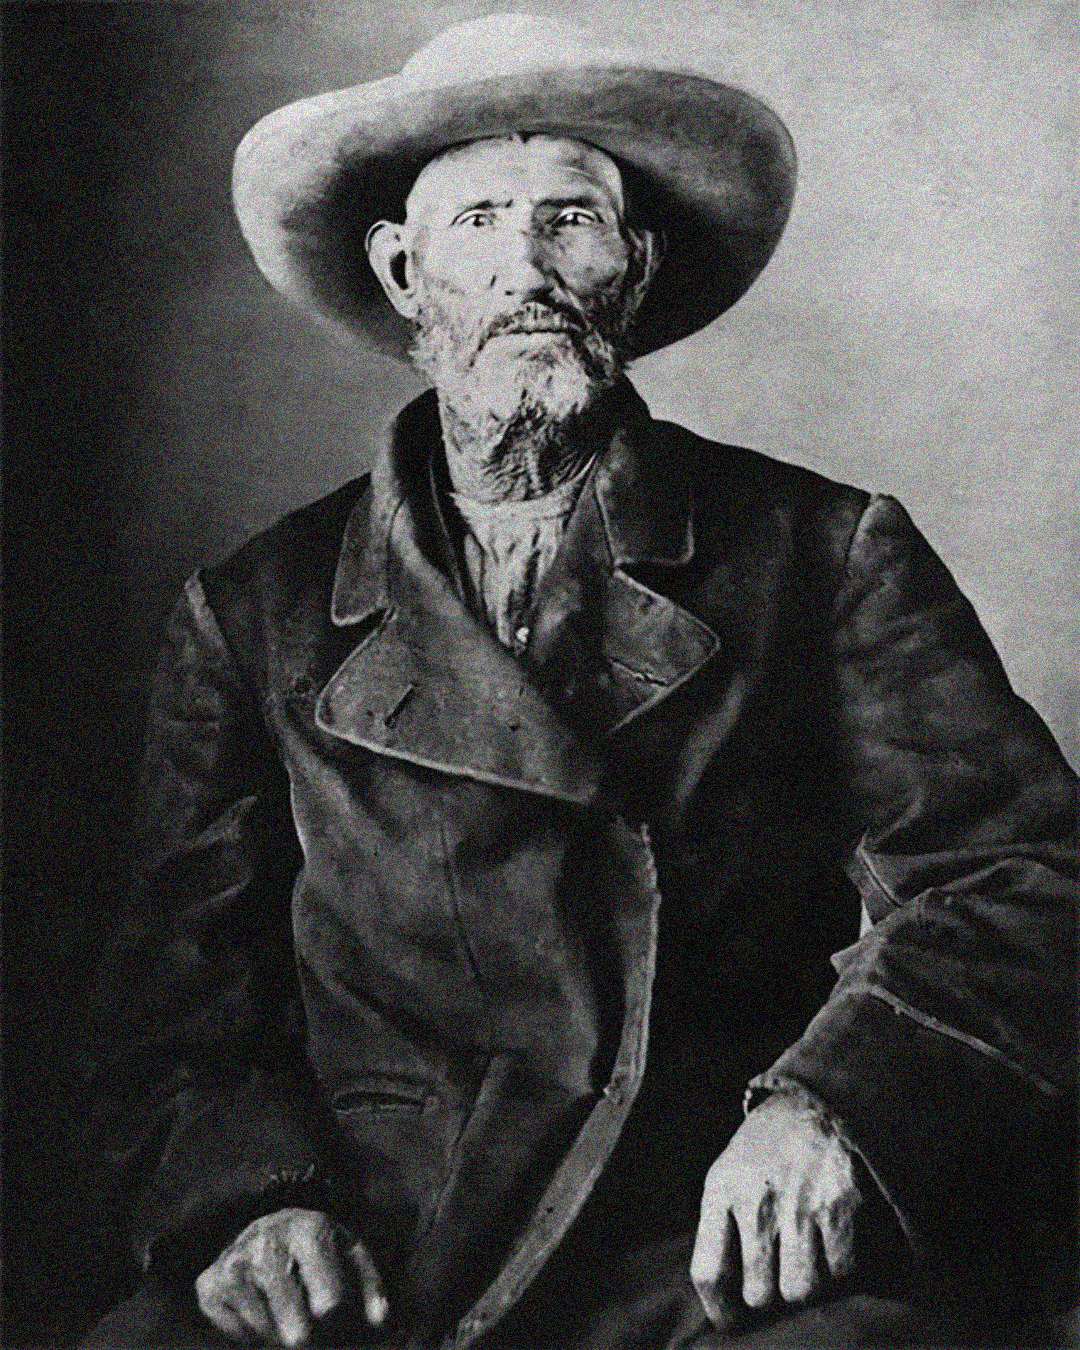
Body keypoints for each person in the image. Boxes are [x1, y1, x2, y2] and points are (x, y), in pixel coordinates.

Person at [82, 15, 1076, 1349]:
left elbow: (1018, 872)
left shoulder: (826, 553)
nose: (526, 267)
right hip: (379, 1250)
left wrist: (831, 1107)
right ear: (401, 272)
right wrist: (251, 1206)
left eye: (571, 220)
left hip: (711, 1236)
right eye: (479, 221)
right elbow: (172, 1002)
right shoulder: (252, 613)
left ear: (636, 264)